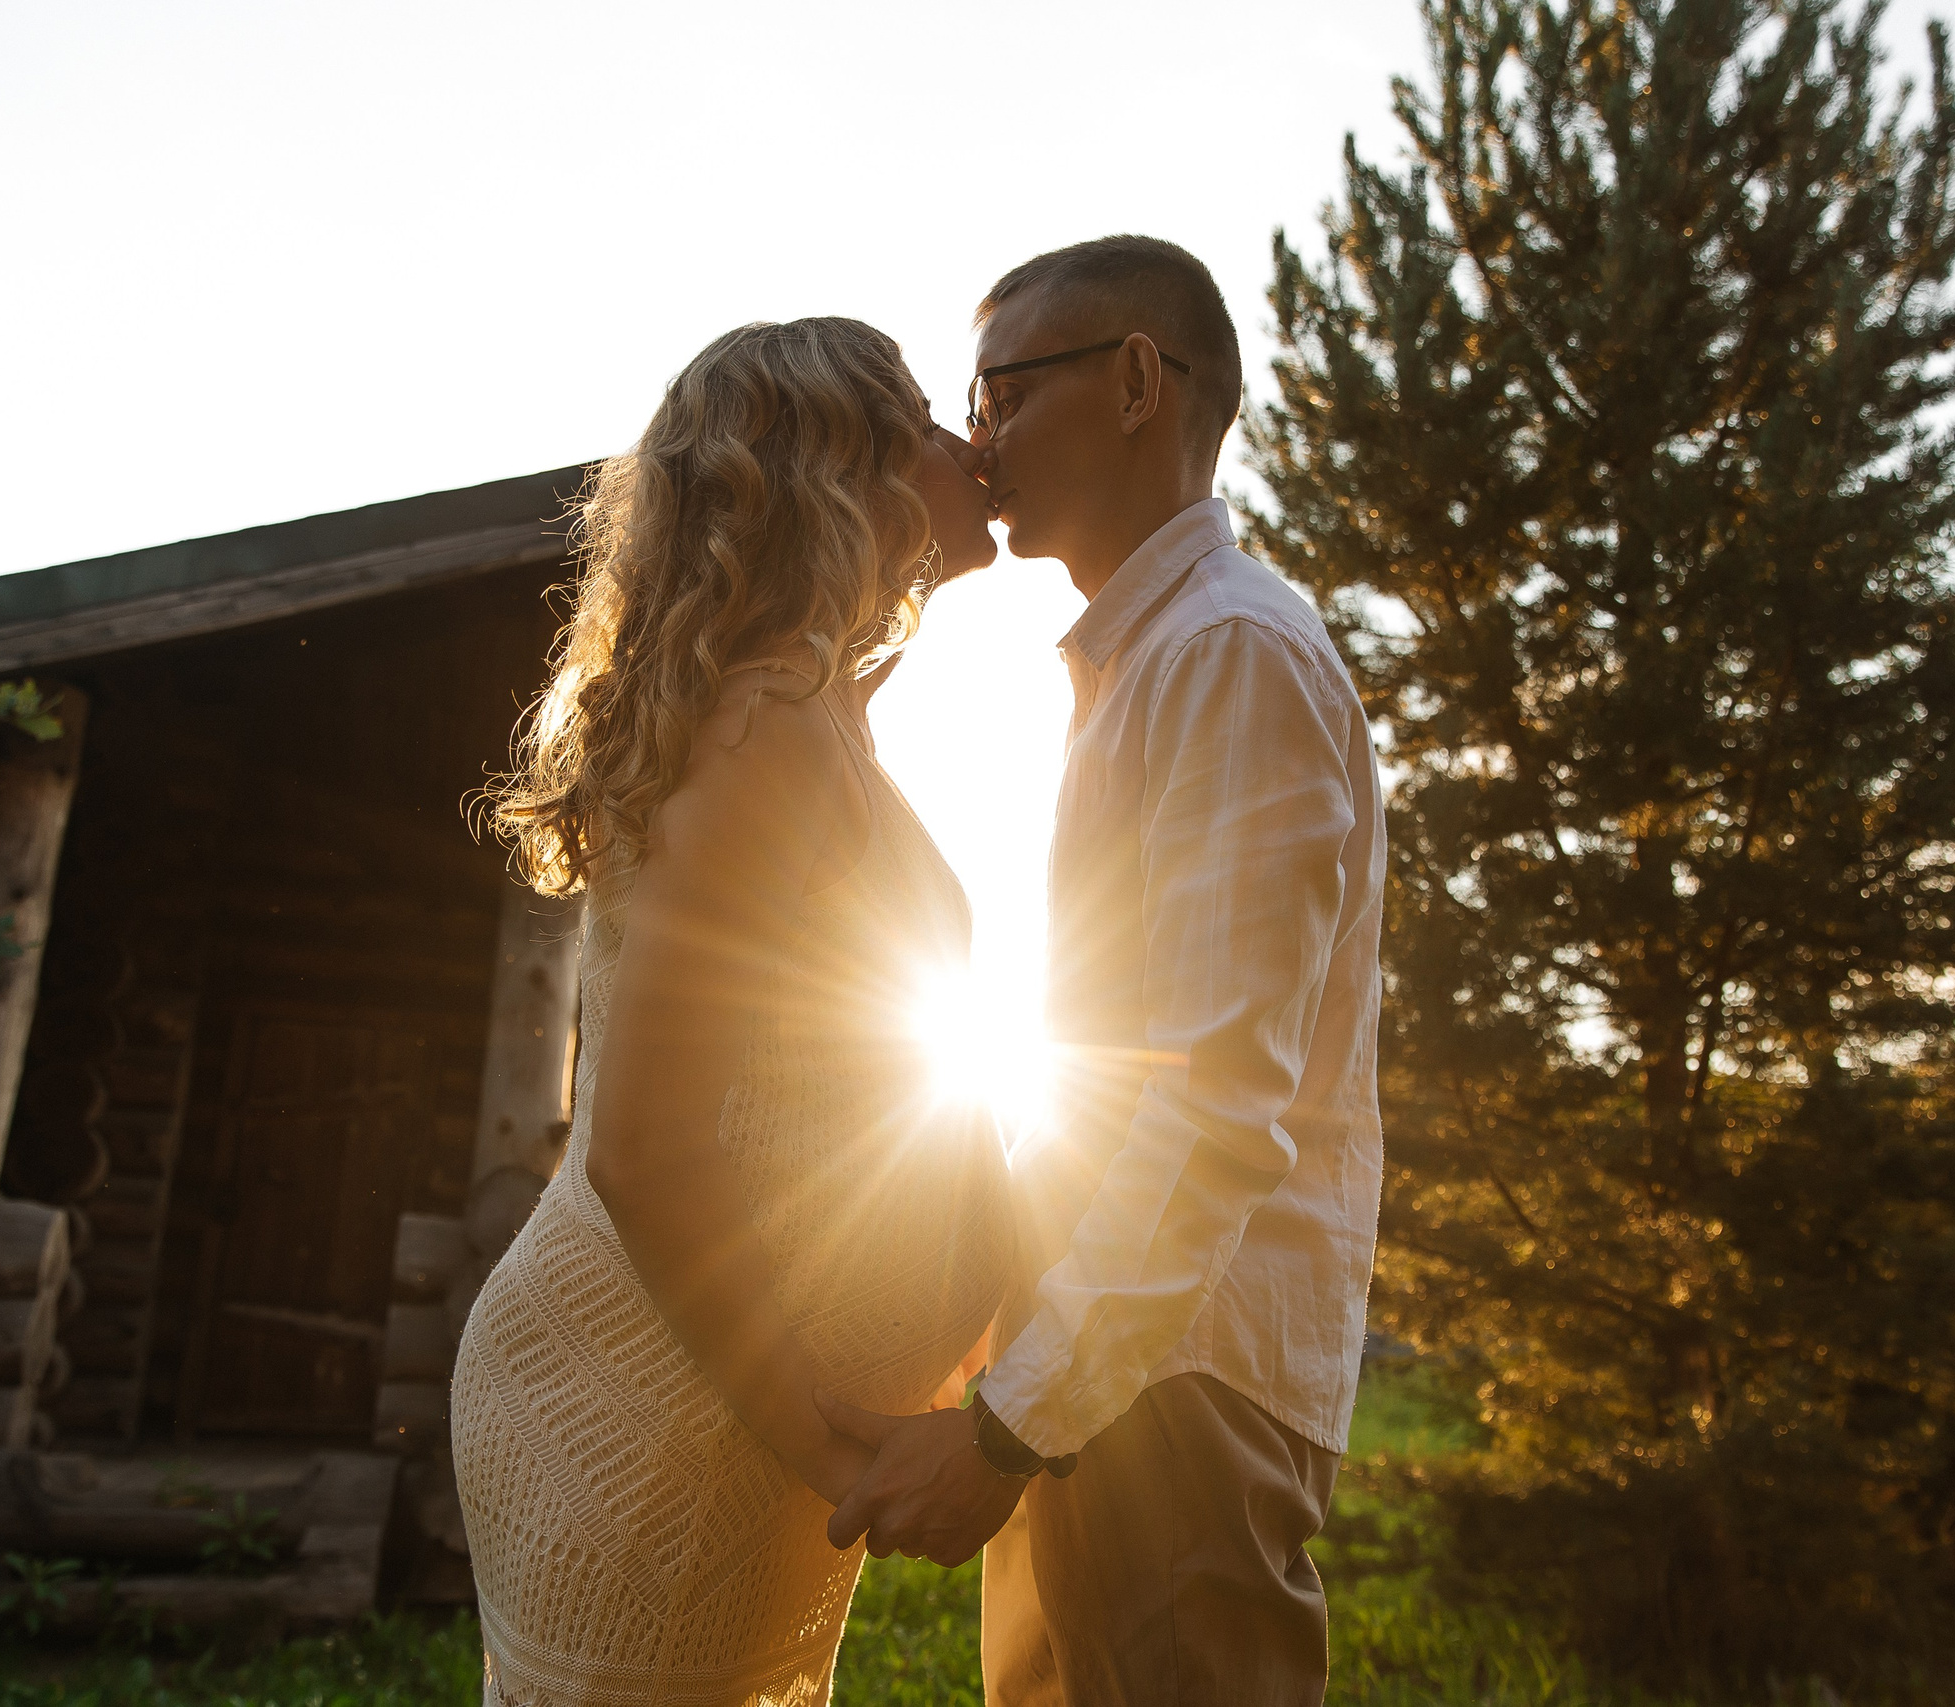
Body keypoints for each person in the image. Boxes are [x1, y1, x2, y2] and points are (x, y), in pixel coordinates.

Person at [821, 236, 1388, 1706]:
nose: (976, 437)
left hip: (1168, 1389)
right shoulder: (1150, 665)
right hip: (1108, 1374)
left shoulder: (1226, 657)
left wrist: (1015, 1420)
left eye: (1001, 390)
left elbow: (1207, 1105)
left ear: (1138, 380)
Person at [450, 317, 1014, 1707]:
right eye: (931, 418)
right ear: (849, 469)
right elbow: (646, 1147)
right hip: (658, 1408)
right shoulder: (765, 730)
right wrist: (833, 1453)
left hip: (726, 1411)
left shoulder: (817, 719)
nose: (970, 446)